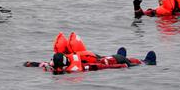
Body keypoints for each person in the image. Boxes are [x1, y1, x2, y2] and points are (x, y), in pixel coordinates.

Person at [24, 32, 156, 74]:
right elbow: (45, 64)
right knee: (117, 58)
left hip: (106, 60)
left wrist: (122, 66)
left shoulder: (77, 66)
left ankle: (143, 61)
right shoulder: (69, 65)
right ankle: (138, 60)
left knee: (123, 59)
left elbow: (103, 66)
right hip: (103, 61)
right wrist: (31, 63)